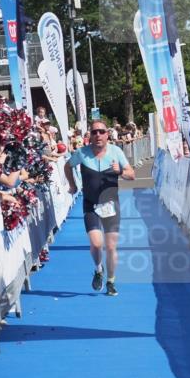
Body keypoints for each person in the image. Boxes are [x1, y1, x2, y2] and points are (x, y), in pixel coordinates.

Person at [64, 119, 136, 297]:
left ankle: (111, 281)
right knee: (96, 244)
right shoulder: (82, 153)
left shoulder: (116, 151)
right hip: (90, 204)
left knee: (110, 247)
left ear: (107, 134)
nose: (98, 135)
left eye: (101, 131)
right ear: (90, 135)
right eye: (94, 132)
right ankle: (98, 270)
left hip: (111, 205)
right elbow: (67, 166)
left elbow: (132, 175)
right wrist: (72, 185)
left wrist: (120, 171)